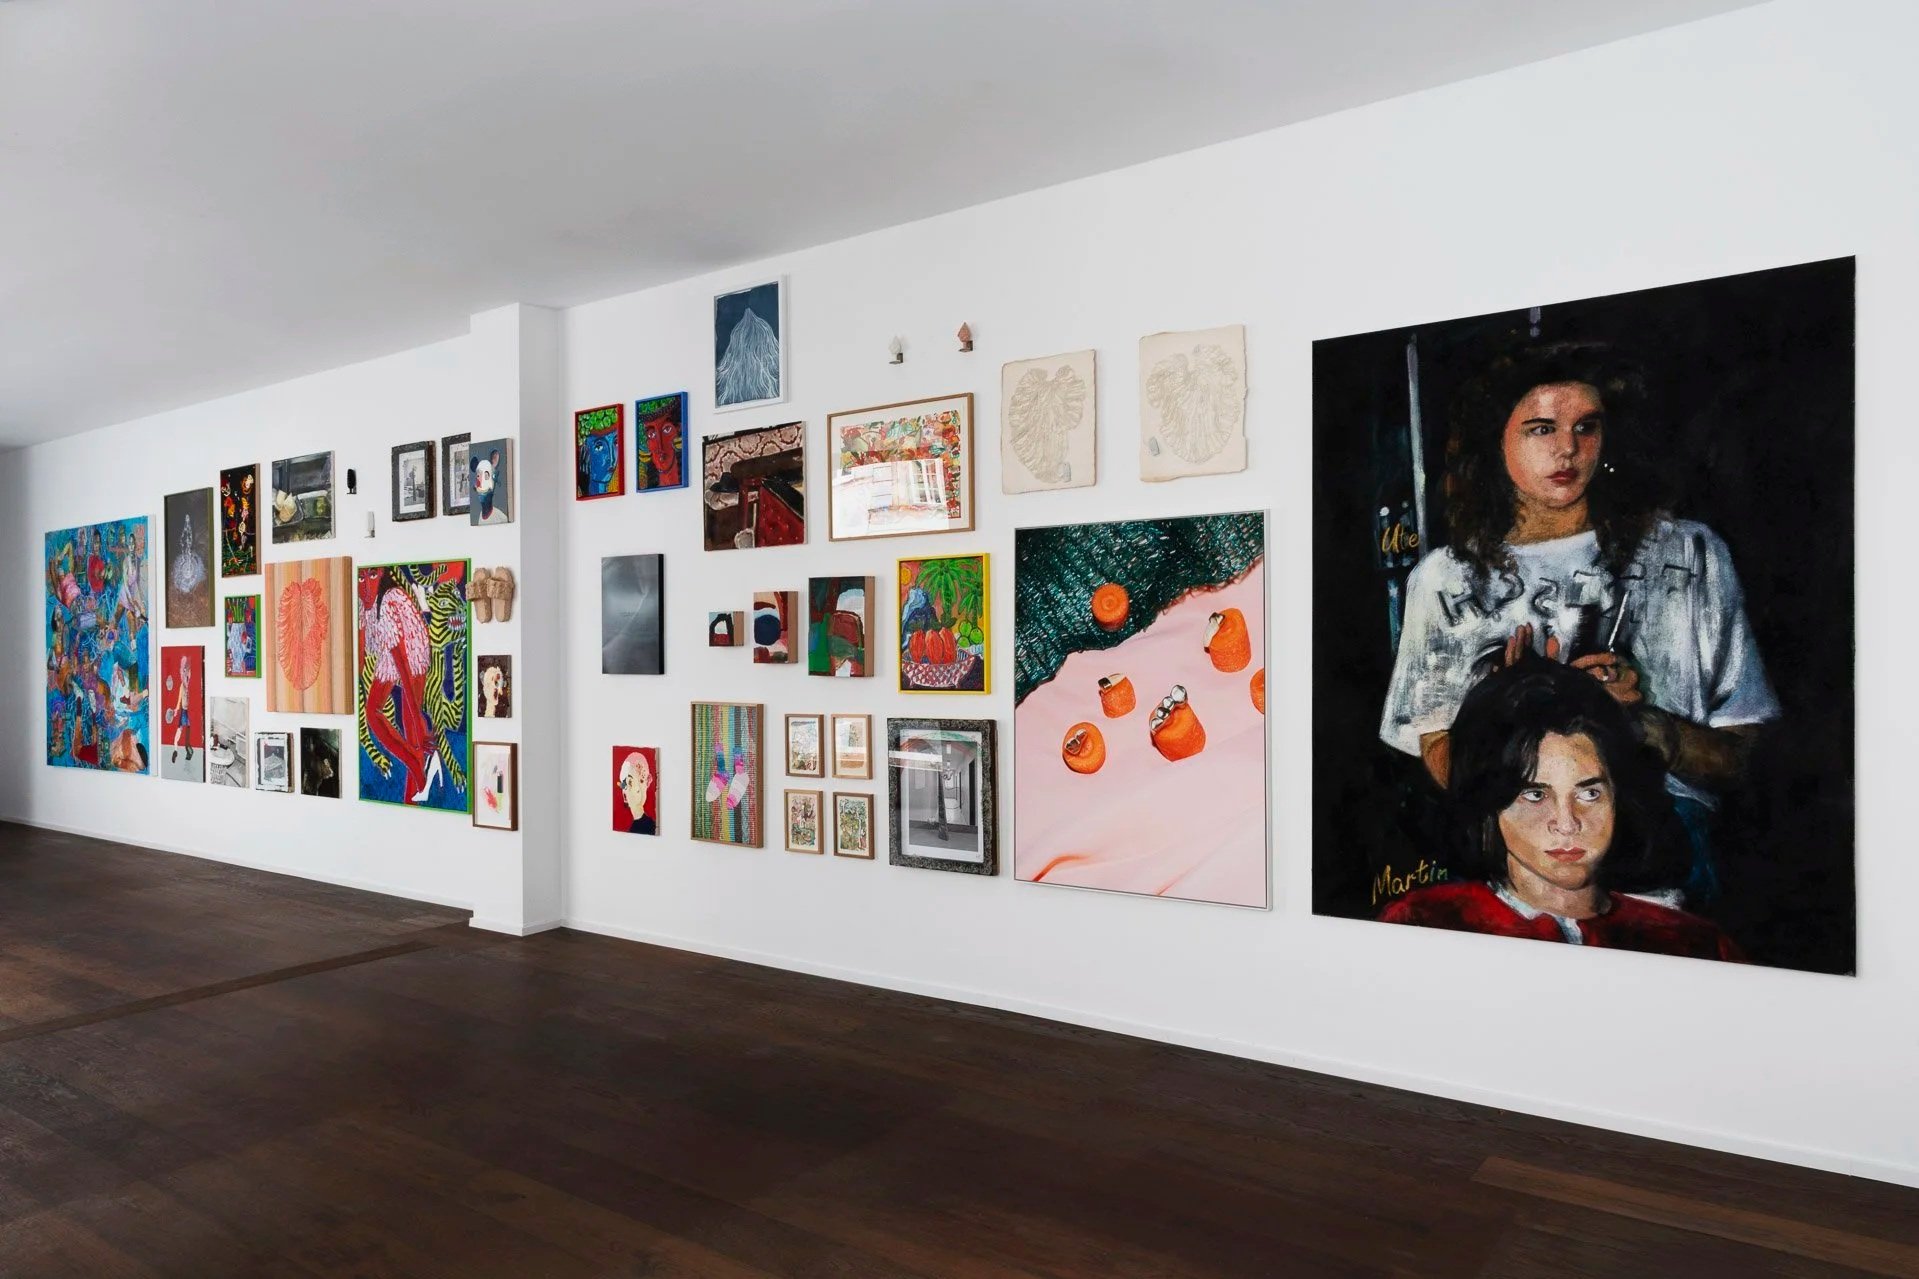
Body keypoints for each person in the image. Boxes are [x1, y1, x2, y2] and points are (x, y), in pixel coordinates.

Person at [1379, 341, 1778, 901]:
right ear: (1495, 440)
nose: (1567, 449)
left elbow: (1745, 758)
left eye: (1586, 427)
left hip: (1670, 861)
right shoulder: (1445, 578)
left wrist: (1646, 728)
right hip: (1515, 867)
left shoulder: (1690, 555)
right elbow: (1440, 756)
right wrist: (1504, 713)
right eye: (1541, 429)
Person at [1381, 656, 1742, 961]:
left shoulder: (1693, 943)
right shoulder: (1424, 923)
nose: (1567, 824)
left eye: (1589, 794)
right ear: (1491, 801)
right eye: (1535, 795)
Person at [618, 750, 656, 835]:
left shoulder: (652, 827)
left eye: (642, 780)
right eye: (631, 782)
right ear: (624, 795)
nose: (638, 788)